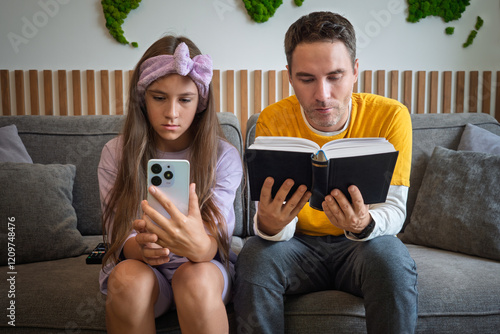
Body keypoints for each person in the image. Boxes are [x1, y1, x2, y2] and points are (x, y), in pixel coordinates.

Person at [234, 11, 418, 334]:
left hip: (363, 245)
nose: (322, 95)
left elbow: (395, 208)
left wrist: (363, 224)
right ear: (289, 76)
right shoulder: (272, 121)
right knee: (254, 255)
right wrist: (269, 224)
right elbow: (270, 218)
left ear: (356, 71)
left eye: (335, 76)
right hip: (297, 246)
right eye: (306, 79)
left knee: (391, 257)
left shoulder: (391, 117)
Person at [98, 35, 243, 334]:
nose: (172, 113)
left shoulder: (223, 156)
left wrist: (194, 242)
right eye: (159, 97)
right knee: (126, 280)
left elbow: (212, 247)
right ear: (142, 97)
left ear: (201, 103)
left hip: (204, 266)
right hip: (145, 269)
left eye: (185, 100)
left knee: (196, 281)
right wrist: (140, 247)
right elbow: (118, 237)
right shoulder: (117, 153)